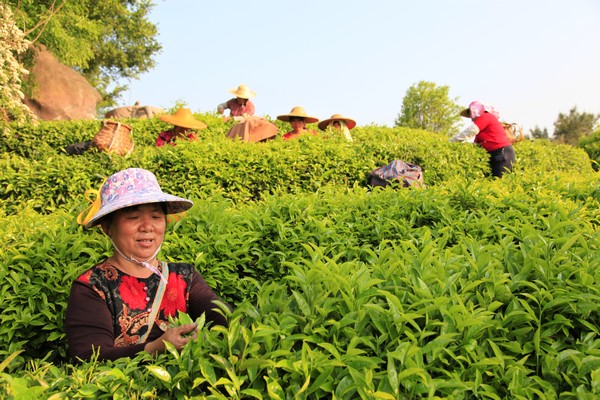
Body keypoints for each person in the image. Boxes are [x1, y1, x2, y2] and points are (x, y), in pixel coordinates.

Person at [66, 168, 228, 362]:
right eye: (133, 218)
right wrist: (154, 348)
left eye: (156, 217)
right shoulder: (92, 286)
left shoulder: (183, 277)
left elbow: (224, 317)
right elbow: (87, 357)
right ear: (108, 227)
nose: (147, 227)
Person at [451, 100, 515, 178]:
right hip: (495, 154)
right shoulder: (481, 130)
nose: (471, 119)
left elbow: (472, 130)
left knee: (500, 182)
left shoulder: (486, 116)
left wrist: (452, 141)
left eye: (471, 114)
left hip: (502, 152)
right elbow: (476, 145)